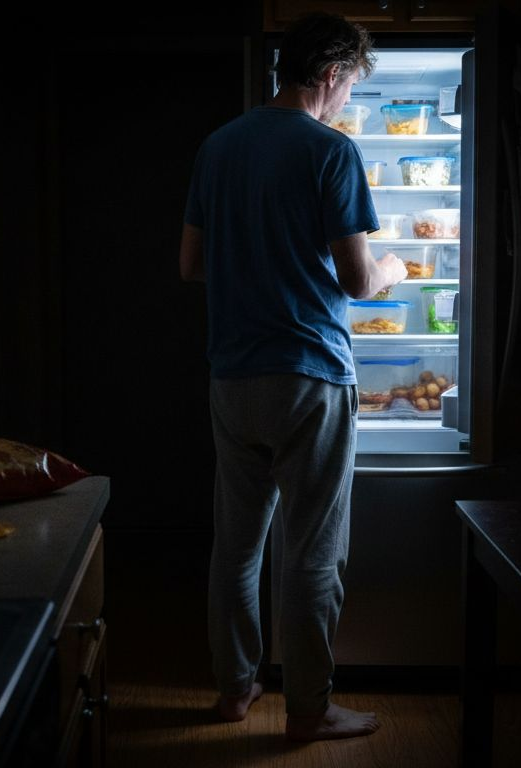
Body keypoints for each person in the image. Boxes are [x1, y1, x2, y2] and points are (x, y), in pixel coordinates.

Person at [178, 11, 406, 742]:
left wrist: (255, 272)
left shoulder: (218, 147)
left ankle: (232, 690)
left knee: (236, 546)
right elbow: (356, 276)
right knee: (312, 551)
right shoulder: (329, 152)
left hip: (233, 377)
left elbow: (189, 265)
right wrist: (394, 268)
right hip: (310, 376)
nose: (345, 102)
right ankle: (308, 710)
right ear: (334, 75)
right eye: (348, 88)